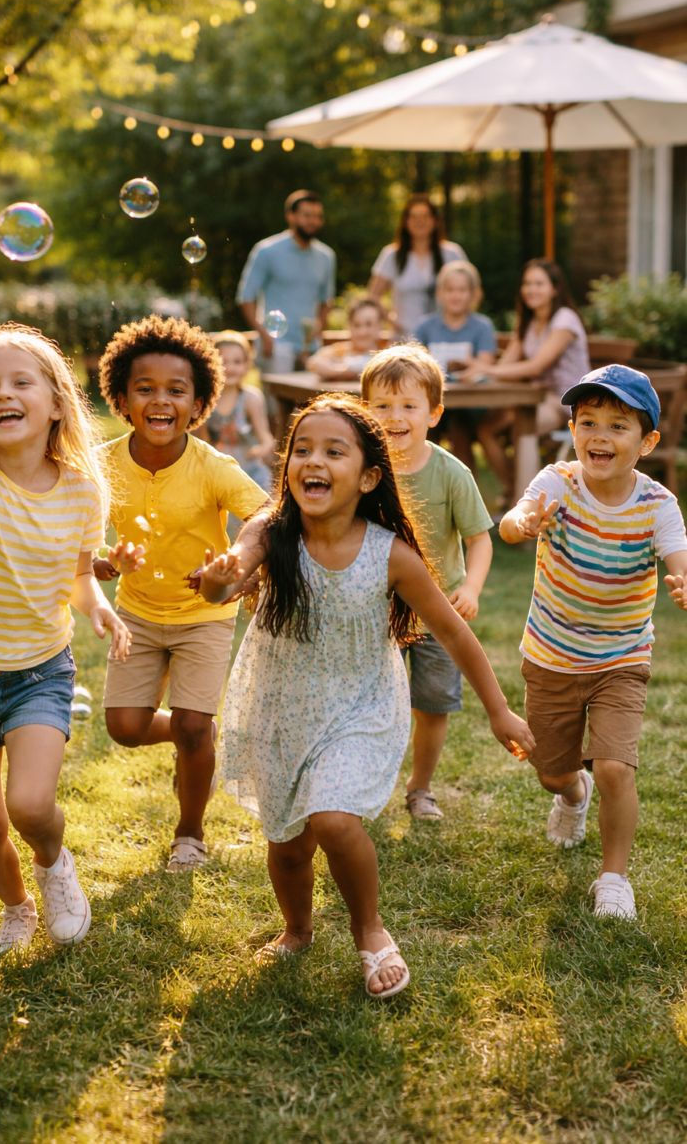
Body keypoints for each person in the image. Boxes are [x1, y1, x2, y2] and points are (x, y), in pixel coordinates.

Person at [198, 395, 533, 998]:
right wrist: (221, 580)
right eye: (302, 449)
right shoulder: (270, 533)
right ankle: (297, 930)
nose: (312, 461)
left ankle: (370, 931)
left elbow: (454, 631)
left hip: (361, 705)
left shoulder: (390, 555)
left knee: (332, 817)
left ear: (369, 476)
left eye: (333, 451)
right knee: (289, 843)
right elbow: (230, 580)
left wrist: (500, 708)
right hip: (282, 706)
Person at [0, 323, 132, 954]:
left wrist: (98, 608)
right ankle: (16, 908)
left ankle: (53, 862)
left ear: (57, 403)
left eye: (19, 382)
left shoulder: (83, 491)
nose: (2, 393)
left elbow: (77, 574)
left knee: (31, 806)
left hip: (38, 671)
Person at [499, 365, 687, 919]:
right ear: (573, 428)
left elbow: (678, 553)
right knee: (554, 772)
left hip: (621, 657)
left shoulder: (657, 504)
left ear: (647, 441)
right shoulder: (557, 482)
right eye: (588, 422)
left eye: (617, 426)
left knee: (613, 767)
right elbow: (513, 520)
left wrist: (682, 577)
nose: (599, 436)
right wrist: (524, 520)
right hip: (551, 654)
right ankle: (570, 795)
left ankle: (613, 878)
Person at [94, 316, 270, 872]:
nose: (160, 401)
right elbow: (73, 525)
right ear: (121, 398)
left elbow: (267, 512)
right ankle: (198, 734)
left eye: (176, 390)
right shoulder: (102, 465)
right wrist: (101, 562)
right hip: (138, 613)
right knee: (123, 727)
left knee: (194, 726)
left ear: (198, 404)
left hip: (203, 614)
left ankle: (189, 833)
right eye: (145, 389)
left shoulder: (213, 467)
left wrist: (236, 563)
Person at [361, 346, 494, 821]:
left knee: (433, 706)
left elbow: (480, 540)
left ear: (434, 413)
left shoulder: (451, 472)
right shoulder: (363, 473)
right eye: (382, 405)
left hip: (439, 616)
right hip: (376, 612)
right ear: (364, 411)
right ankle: (366, 788)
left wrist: (472, 588)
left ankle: (420, 788)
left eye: (409, 406)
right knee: (374, 708)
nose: (395, 416)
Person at [462, 259, 590, 505]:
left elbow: (537, 365)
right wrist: (479, 371)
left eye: (539, 283)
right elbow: (505, 365)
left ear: (554, 289)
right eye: (527, 283)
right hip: (533, 399)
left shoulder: (565, 320)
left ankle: (525, 502)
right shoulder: (528, 322)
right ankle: (518, 493)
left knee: (522, 425)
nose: (532, 289)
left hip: (568, 403)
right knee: (485, 428)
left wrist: (488, 370)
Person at [236, 190, 336, 373]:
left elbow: (327, 300)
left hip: (311, 349)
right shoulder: (266, 251)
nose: (313, 221)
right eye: (307, 215)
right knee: (276, 402)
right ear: (291, 216)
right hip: (276, 347)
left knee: (311, 402)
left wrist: (319, 329)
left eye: (317, 217)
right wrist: (264, 336)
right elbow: (246, 297)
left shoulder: (326, 256)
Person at [416, 260, 497, 469]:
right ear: (440, 293)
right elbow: (412, 363)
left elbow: (485, 363)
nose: (456, 295)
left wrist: (469, 366)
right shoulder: (425, 326)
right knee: (427, 425)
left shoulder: (482, 326)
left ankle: (465, 487)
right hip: (433, 398)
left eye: (462, 290)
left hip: (471, 401)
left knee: (458, 426)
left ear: (472, 294)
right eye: (450, 289)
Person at [368, 194, 466, 338]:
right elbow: (373, 295)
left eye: (425, 216)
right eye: (414, 217)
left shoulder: (452, 254)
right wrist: (391, 320)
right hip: (405, 337)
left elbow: (471, 291)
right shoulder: (392, 255)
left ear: (434, 220)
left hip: (447, 337)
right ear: (406, 222)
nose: (419, 222)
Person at [199, 330, 274, 492]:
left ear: (247, 364)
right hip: (218, 471)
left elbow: (265, 437)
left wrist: (262, 449)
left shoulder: (251, 399)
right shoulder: (206, 400)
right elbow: (203, 441)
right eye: (223, 362)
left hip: (250, 472)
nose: (230, 367)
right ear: (210, 363)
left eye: (237, 362)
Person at [305, 297, 386, 381]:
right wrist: (344, 371)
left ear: (380, 326)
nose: (362, 332)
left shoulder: (385, 356)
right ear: (349, 326)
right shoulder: (340, 350)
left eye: (369, 324)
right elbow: (313, 363)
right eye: (356, 325)